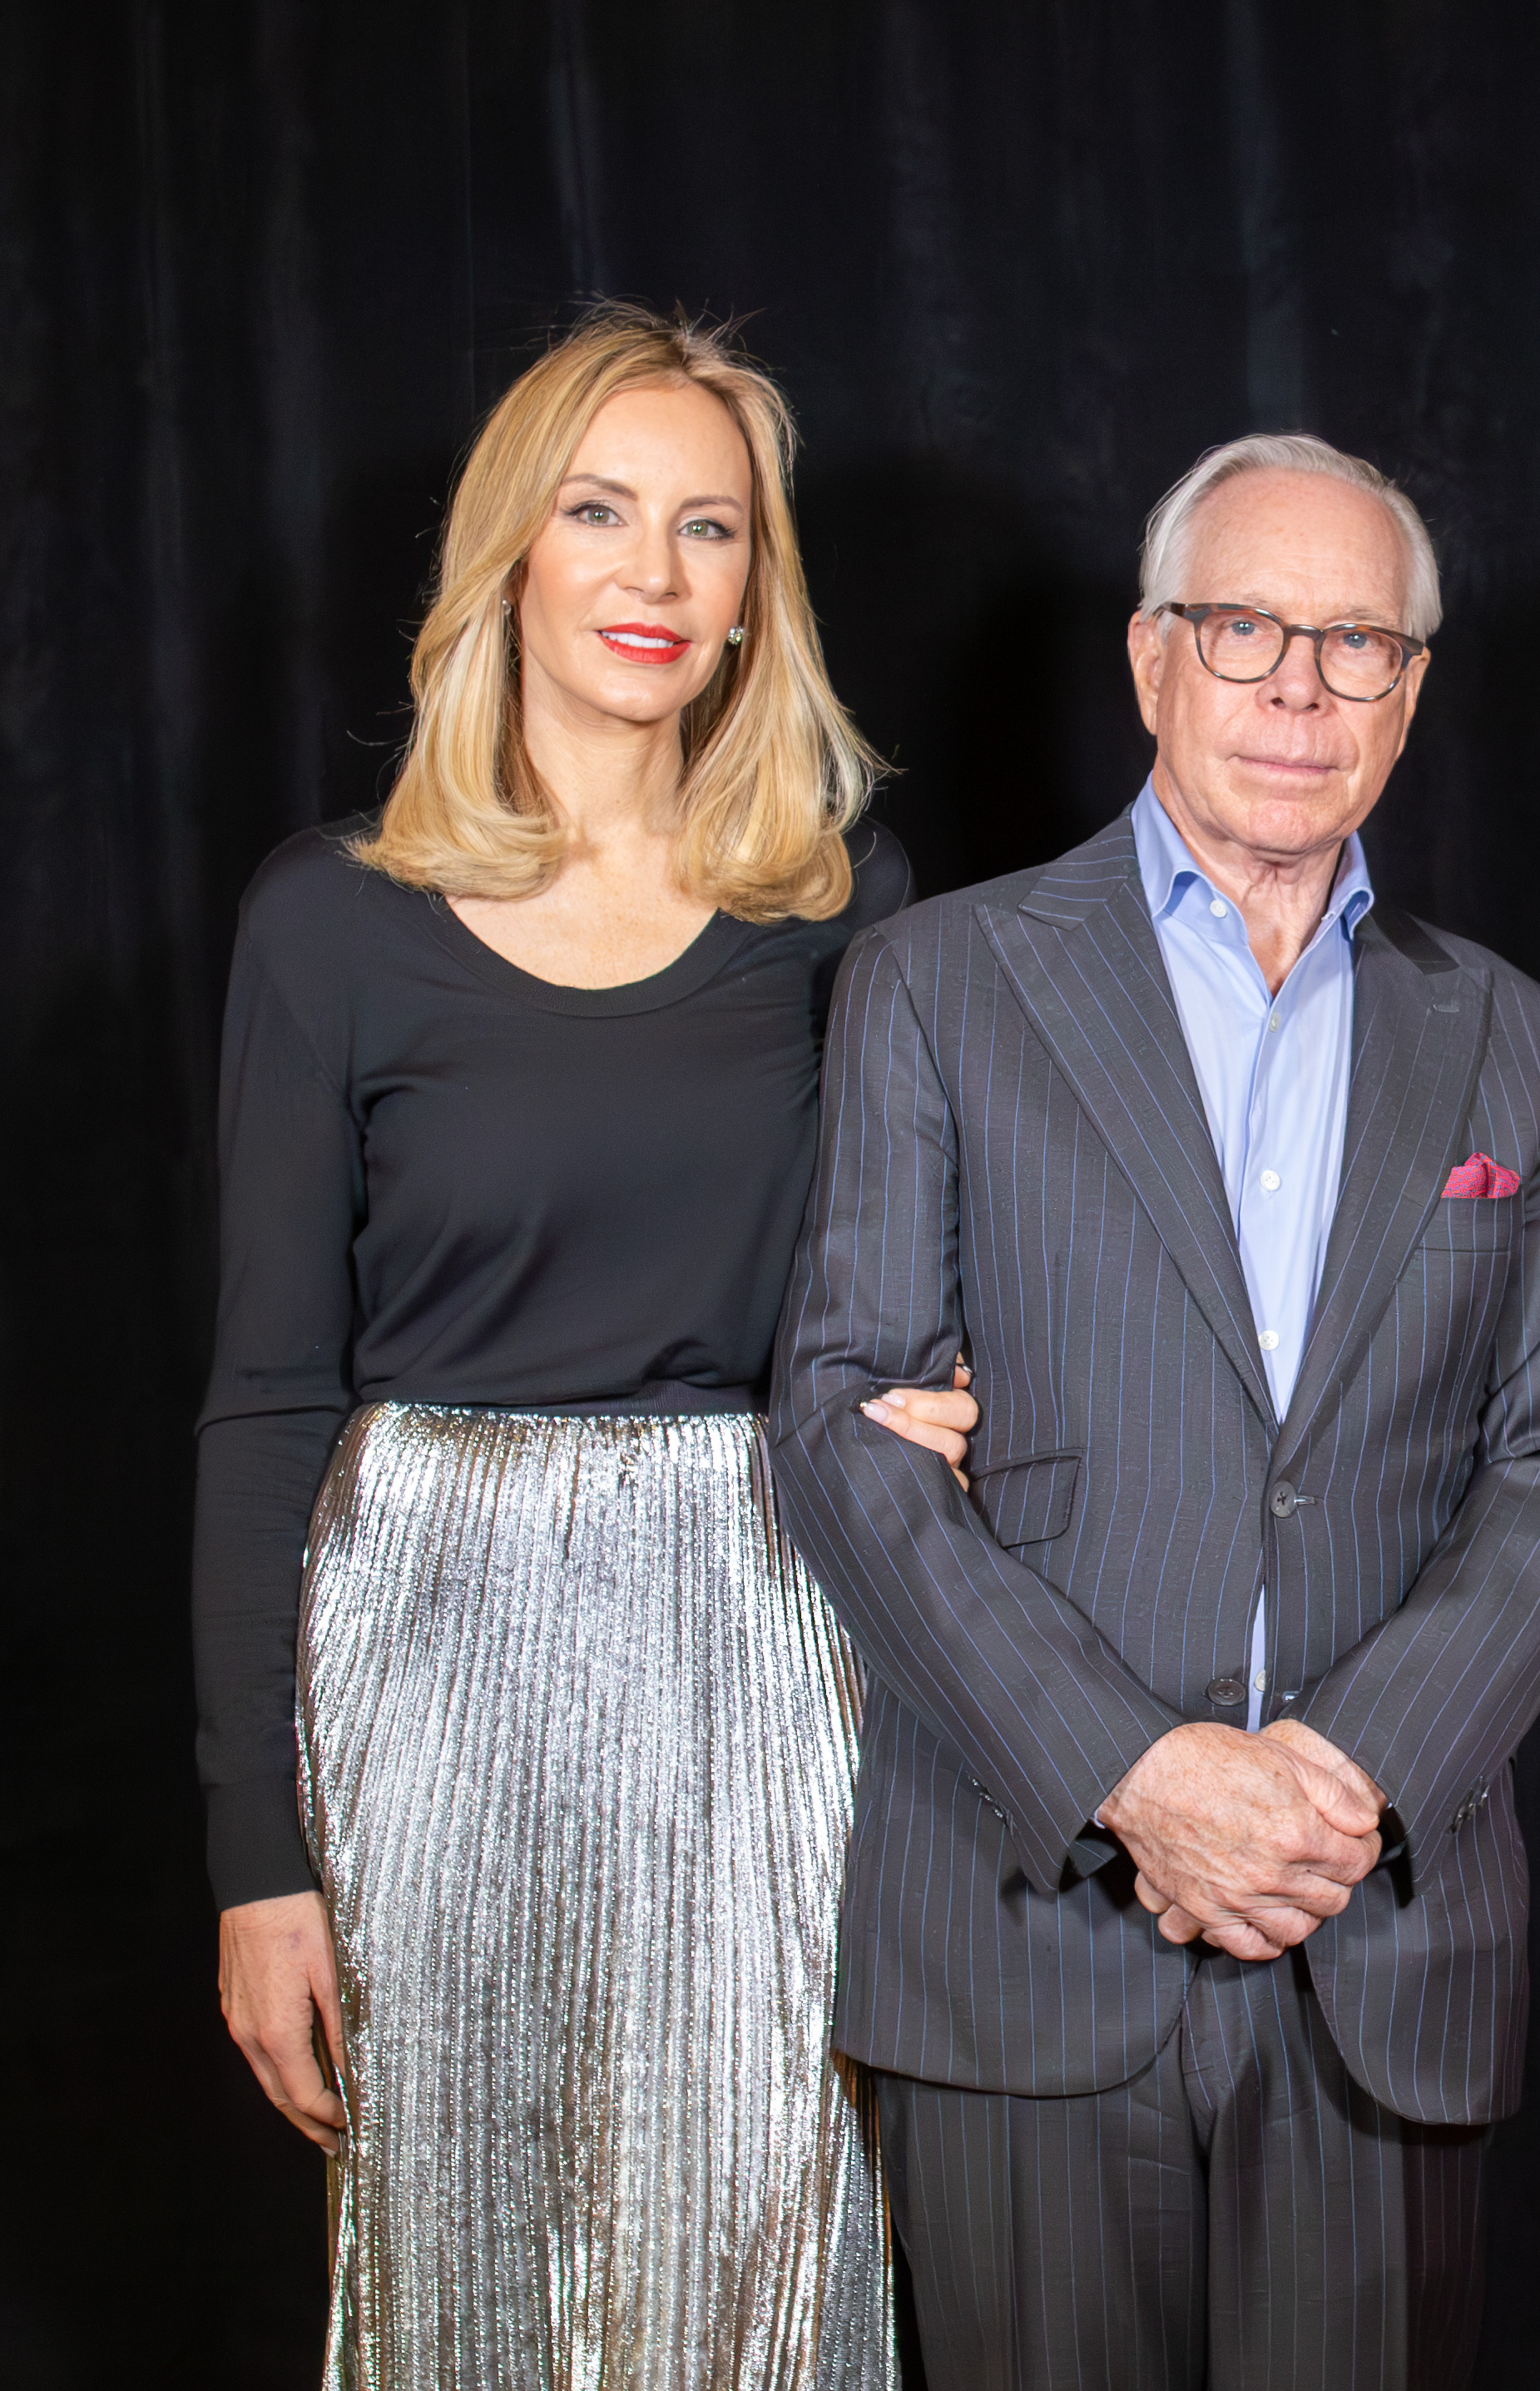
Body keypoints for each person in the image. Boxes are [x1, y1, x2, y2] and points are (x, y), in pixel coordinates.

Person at [767, 431, 1540, 2389]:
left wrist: (1340, 1780)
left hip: (1371, 1932)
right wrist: (1138, 1774)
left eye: (1356, 643)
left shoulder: (1517, 1043)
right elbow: (840, 1422)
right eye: (1246, 628)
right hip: (1028, 1921)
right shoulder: (936, 983)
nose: (1299, 689)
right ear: (1152, 656)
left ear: (1411, 691)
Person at [195, 305, 977, 2389]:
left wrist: (937, 1397)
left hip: (764, 1639)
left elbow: (915, 1297)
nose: (656, 573)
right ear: (509, 557)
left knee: (764, 2260)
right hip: (425, 1656)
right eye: (601, 513)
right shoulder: (330, 922)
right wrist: (259, 1864)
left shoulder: (845, 906)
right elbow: (267, 1404)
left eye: (710, 528)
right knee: (463, 2275)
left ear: (754, 590)